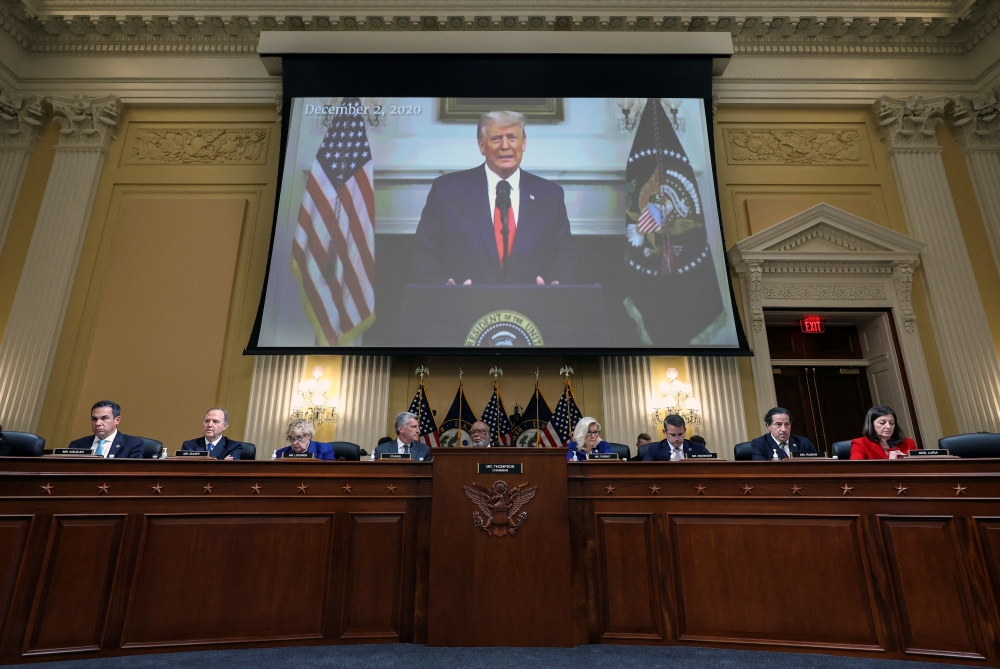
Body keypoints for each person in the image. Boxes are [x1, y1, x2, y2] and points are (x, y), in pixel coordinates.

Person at [410, 111, 574, 286]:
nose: (505, 146)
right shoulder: (447, 191)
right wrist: (445, 287)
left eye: (512, 138)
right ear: (481, 146)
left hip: (531, 307)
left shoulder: (549, 194)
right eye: (496, 139)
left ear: (523, 143)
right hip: (465, 306)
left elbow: (566, 253)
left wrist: (557, 284)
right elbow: (423, 251)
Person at [67, 400, 144, 458]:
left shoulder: (132, 444)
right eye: (94, 419)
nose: (97, 423)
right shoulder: (77, 445)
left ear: (117, 420)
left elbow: (134, 474)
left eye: (104, 418)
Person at [850, 405, 917, 460]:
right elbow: (855, 471)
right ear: (871, 425)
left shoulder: (908, 443)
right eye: (882, 423)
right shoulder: (860, 444)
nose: (888, 426)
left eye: (892, 423)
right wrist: (890, 465)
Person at [750, 407, 817, 460]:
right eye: (778, 424)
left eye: (787, 424)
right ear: (768, 426)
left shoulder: (803, 443)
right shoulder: (759, 444)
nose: (784, 429)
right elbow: (760, 470)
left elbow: (817, 466)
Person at [643, 414, 711, 461]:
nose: (677, 439)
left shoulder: (698, 447)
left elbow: (712, 465)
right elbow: (645, 470)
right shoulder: (655, 449)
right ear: (665, 432)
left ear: (684, 431)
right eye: (673, 435)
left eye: (680, 434)